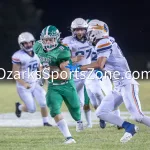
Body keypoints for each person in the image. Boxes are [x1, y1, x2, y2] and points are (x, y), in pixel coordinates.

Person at [65, 19, 150, 143]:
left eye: (89, 32)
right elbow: (107, 65)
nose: (87, 35)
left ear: (96, 32)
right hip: (118, 86)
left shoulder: (104, 41)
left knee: (138, 116)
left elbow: (100, 63)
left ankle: (132, 125)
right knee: (101, 112)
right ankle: (129, 127)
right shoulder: (104, 42)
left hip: (126, 84)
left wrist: (79, 67)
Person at [33, 25, 83, 144]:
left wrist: (47, 74)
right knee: (53, 109)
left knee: (75, 108)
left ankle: (79, 121)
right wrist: (39, 74)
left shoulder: (62, 51)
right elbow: (37, 62)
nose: (48, 42)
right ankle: (69, 137)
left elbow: (65, 75)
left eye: (50, 39)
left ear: (57, 39)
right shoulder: (37, 46)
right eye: (45, 39)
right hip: (53, 86)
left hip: (66, 83)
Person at [62, 18, 106, 128]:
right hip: (76, 73)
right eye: (77, 30)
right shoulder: (68, 41)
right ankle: (79, 123)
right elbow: (62, 58)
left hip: (89, 71)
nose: (80, 32)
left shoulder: (92, 39)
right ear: (73, 30)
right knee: (78, 102)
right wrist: (73, 59)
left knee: (98, 93)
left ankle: (103, 114)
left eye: (82, 29)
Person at [12, 32, 52, 127]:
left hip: (35, 82)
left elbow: (40, 67)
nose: (28, 44)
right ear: (21, 44)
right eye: (25, 43)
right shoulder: (18, 56)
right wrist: (24, 84)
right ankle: (19, 107)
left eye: (30, 42)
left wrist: (43, 77)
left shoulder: (37, 53)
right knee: (32, 109)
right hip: (23, 86)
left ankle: (45, 122)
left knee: (43, 102)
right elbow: (15, 73)